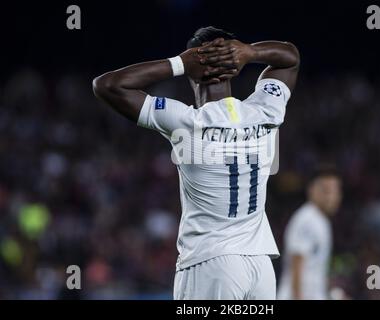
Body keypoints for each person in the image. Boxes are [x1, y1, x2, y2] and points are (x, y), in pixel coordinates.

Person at [92, 26, 299, 300]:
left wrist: (179, 63)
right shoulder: (265, 109)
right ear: (233, 67)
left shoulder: (186, 122)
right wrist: (250, 52)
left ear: (192, 69)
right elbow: (291, 56)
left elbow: (107, 85)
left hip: (211, 263)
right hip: (260, 264)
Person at [277, 165, 342, 300]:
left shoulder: (321, 220)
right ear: (311, 190)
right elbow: (297, 262)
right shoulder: (307, 219)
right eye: (325, 191)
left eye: (335, 191)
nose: (331, 197)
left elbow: (315, 270)